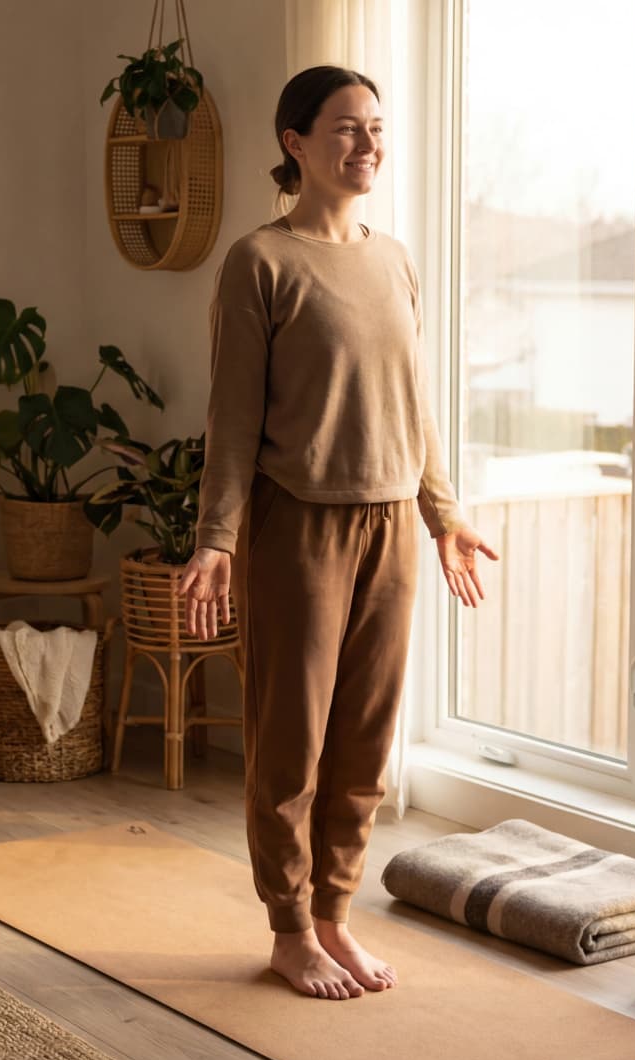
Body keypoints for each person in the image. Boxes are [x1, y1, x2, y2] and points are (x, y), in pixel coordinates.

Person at [174, 65, 500, 1001]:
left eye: (378, 128)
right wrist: (217, 539)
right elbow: (231, 418)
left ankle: (334, 918)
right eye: (347, 129)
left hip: (394, 523)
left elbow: (415, 405)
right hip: (297, 526)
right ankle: (287, 929)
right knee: (291, 745)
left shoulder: (394, 258)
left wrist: (445, 515)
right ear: (296, 143)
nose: (368, 145)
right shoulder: (259, 262)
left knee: (364, 741)